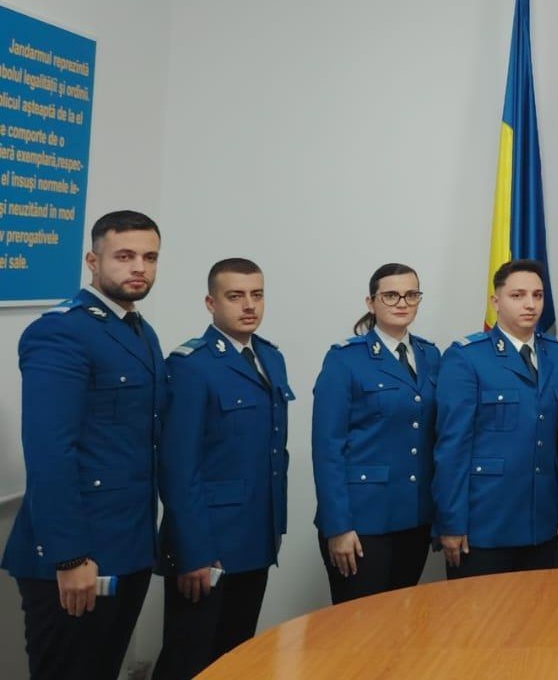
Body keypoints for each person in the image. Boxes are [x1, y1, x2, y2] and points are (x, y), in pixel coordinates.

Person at [2, 210, 165, 680]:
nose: (139, 267)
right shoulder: (61, 331)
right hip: (77, 553)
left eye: (150, 257)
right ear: (93, 261)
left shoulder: (138, 329)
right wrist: (69, 555)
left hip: (128, 544)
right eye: (124, 256)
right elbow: (50, 451)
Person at [154, 258, 292, 679]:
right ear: (211, 303)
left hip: (255, 535)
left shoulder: (270, 357)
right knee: (189, 660)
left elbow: (273, 453)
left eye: (257, 295)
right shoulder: (191, 365)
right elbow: (178, 466)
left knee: (236, 656)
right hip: (207, 543)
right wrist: (193, 551)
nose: (249, 305)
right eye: (235, 296)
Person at [434, 259, 558, 577]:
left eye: (538, 295)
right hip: (484, 524)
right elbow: (452, 449)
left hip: (543, 521)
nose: (530, 304)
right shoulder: (467, 357)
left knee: (541, 608)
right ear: (496, 301)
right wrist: (451, 522)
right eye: (518, 295)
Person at [311, 263, 440, 601]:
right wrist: (338, 526)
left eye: (411, 294)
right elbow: (327, 449)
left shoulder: (430, 354)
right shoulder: (345, 359)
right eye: (391, 295)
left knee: (400, 620)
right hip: (362, 520)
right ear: (371, 302)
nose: (402, 302)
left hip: (415, 517)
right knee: (358, 625)